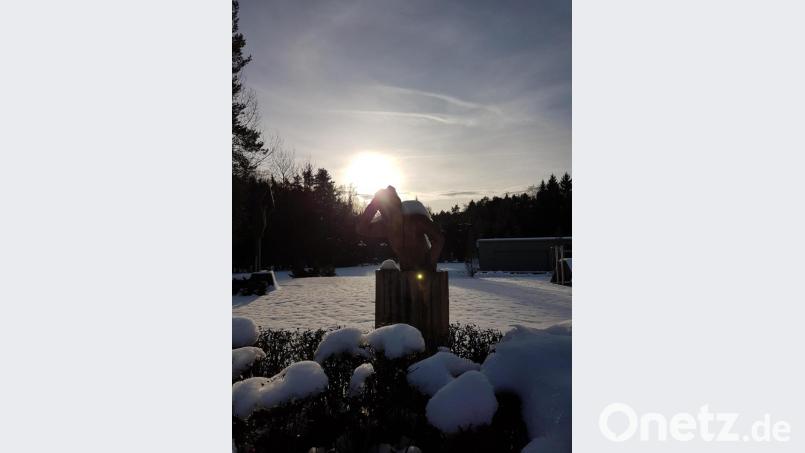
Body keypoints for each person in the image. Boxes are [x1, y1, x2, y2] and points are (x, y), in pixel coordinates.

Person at [356, 186, 444, 272]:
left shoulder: (416, 221)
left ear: (397, 205)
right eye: (382, 209)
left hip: (427, 274)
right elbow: (361, 229)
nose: (387, 212)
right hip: (405, 273)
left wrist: (429, 263)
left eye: (390, 207)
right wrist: (373, 205)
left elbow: (439, 238)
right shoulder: (386, 227)